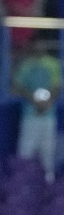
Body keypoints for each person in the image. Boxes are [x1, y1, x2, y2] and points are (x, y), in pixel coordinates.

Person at [13, 39, 62, 182]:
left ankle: (48, 180)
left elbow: (57, 86)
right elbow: (18, 86)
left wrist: (47, 102)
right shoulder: (26, 66)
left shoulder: (53, 64)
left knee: (48, 149)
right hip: (30, 114)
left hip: (48, 114)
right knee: (26, 148)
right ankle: (22, 179)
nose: (39, 47)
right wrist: (34, 101)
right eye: (36, 44)